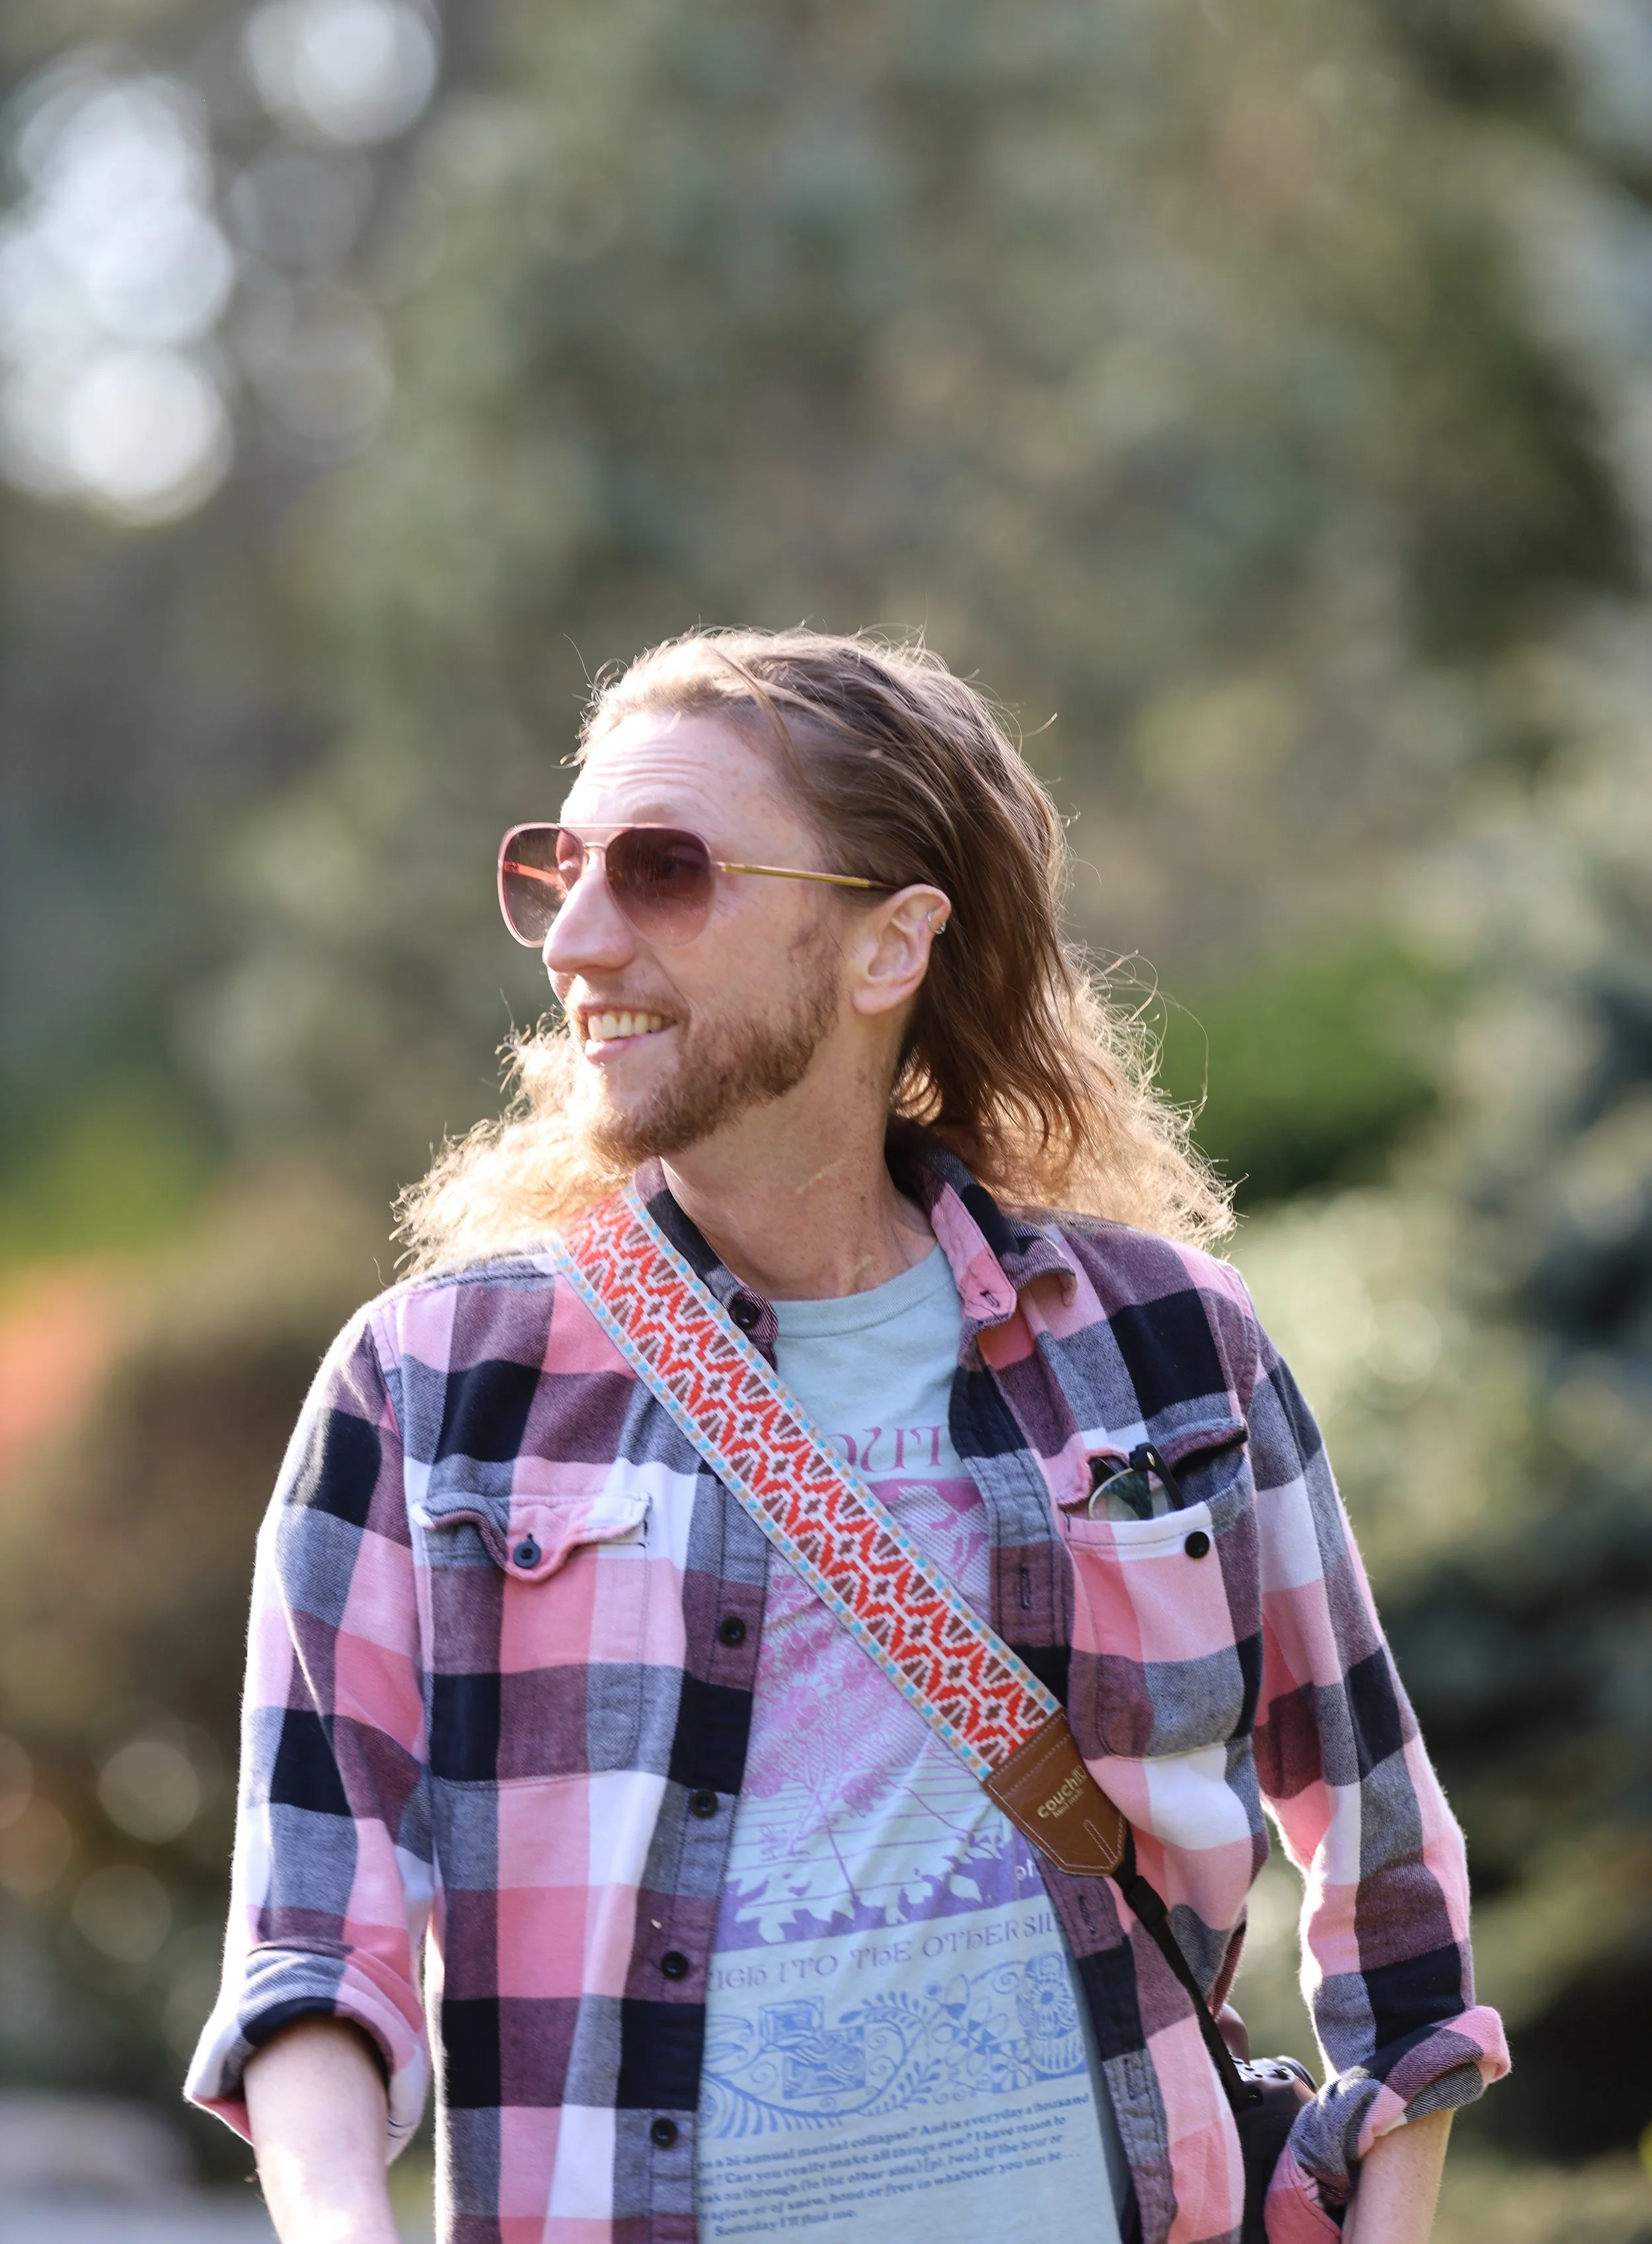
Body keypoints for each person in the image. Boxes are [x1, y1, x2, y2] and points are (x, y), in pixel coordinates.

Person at [188, 629, 1507, 2244]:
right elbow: (314, 1943)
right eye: (561, 867)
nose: (576, 938)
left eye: (665, 871)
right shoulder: (429, 1392)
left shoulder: (1169, 1350)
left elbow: (1382, 1859)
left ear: (891, 946)